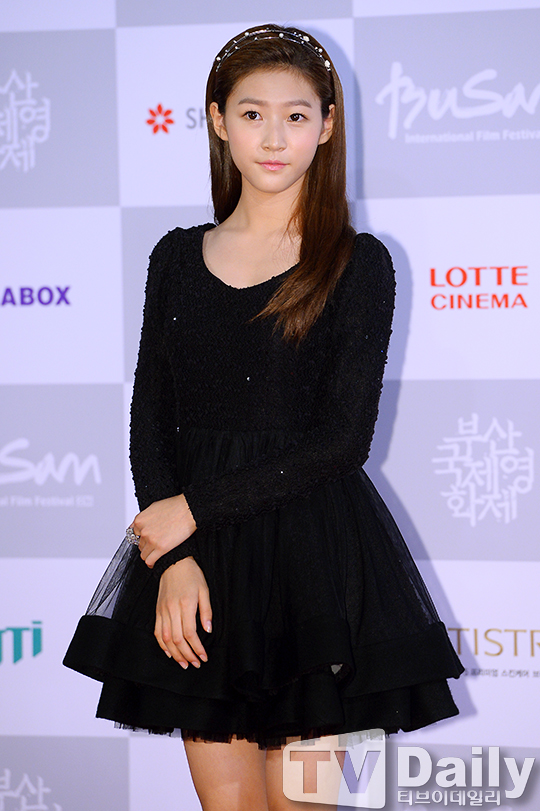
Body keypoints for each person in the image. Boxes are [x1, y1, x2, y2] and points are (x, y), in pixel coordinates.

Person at [64, 24, 464, 811]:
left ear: (327, 125)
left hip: (314, 563)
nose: (274, 137)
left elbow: (343, 440)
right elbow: (151, 416)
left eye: (296, 115)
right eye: (252, 114)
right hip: (198, 566)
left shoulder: (358, 262)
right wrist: (173, 557)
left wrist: (189, 512)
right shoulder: (175, 257)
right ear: (218, 120)